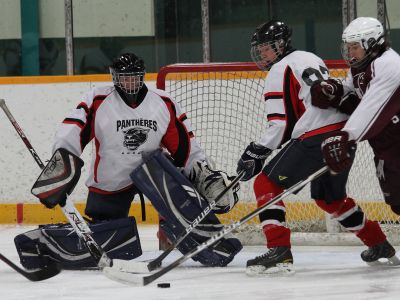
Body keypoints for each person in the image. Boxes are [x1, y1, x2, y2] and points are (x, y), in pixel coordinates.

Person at [16, 52, 242, 270]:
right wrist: (61, 162)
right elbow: (73, 130)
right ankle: (43, 243)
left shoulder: (162, 102)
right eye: (125, 77)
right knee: (107, 241)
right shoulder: (98, 98)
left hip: (154, 174)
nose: (130, 82)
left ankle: (189, 239)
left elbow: (184, 145)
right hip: (111, 178)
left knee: (179, 197)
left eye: (134, 77)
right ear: (114, 77)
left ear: (143, 76)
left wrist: (204, 173)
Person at [236, 20, 396, 276]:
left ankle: (279, 251)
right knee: (329, 198)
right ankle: (378, 244)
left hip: (316, 136)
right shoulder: (308, 56)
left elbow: (280, 125)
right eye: (260, 49)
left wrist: (257, 150)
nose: (262, 54)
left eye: (266, 48)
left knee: (265, 184)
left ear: (280, 45)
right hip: (341, 137)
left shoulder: (279, 69)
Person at [313, 17, 400, 262]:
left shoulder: (389, 64)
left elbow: (372, 108)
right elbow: (353, 95)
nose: (350, 52)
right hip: (386, 146)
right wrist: (333, 92)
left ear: (372, 42)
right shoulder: (362, 66)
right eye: (348, 46)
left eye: (354, 46)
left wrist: (346, 136)